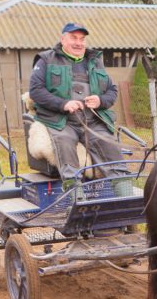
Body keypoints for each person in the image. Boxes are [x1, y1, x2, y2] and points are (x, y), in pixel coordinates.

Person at [28, 22, 128, 185]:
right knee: (65, 143)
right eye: (73, 38)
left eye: (82, 39)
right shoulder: (46, 59)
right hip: (61, 122)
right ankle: (75, 196)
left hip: (93, 123)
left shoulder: (95, 62)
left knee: (111, 149)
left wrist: (100, 100)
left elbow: (112, 91)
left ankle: (124, 195)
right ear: (62, 39)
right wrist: (63, 104)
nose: (78, 43)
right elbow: (36, 91)